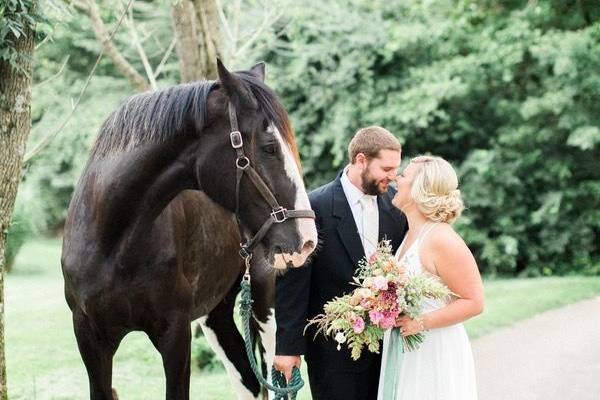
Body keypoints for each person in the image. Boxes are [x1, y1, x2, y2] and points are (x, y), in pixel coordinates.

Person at [274, 126, 408, 400]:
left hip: (390, 350)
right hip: (331, 353)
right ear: (361, 160)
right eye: (386, 168)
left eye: (396, 168)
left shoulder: (398, 207)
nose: (392, 176)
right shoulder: (314, 207)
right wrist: (287, 348)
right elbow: (293, 284)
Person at [378, 155, 484, 400]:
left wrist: (421, 322)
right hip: (407, 350)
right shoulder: (409, 235)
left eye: (404, 175)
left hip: (433, 351)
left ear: (420, 189)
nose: (396, 178)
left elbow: (474, 301)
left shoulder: (441, 239)